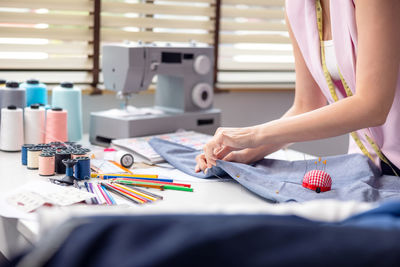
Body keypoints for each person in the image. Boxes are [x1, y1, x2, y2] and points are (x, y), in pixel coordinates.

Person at [195, 0, 400, 176]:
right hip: (369, 164)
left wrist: (251, 135)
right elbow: (306, 105)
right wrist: (245, 152)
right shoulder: (297, 6)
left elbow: (373, 106)